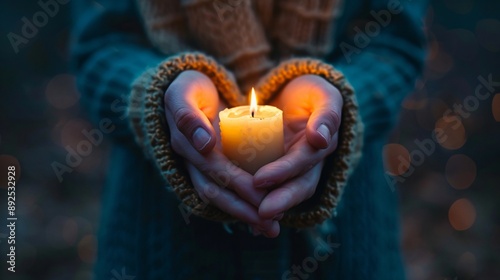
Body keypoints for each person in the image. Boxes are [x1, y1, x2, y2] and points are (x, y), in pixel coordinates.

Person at [71, 0, 427, 278]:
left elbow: (396, 43)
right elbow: (101, 44)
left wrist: (342, 107)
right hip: (157, 240)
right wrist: (158, 100)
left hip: (347, 242)